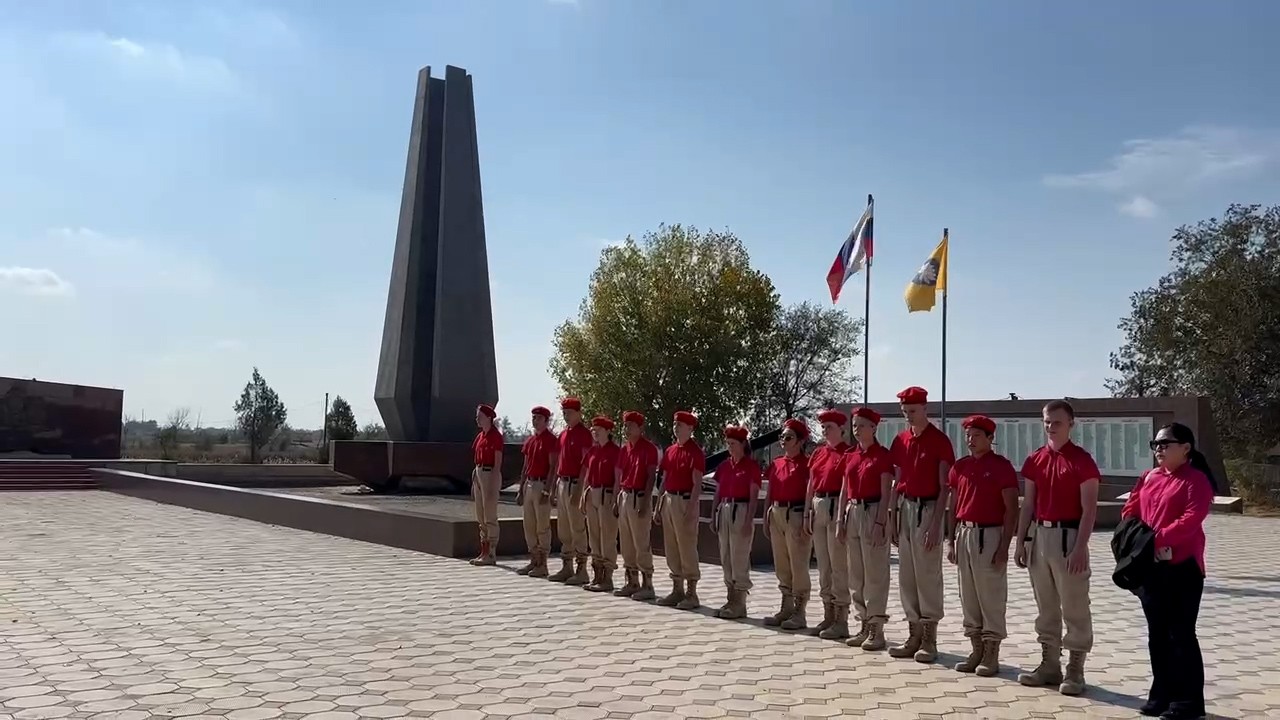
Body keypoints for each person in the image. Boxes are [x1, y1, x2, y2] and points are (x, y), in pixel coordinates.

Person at [1122, 422, 1216, 719]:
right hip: (1152, 567)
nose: (1159, 449)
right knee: (1157, 634)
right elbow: (1130, 511)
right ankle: (1161, 695)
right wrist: (1141, 540)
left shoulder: (1196, 480)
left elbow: (1191, 518)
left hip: (1183, 567)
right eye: (1156, 444)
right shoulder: (1148, 477)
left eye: (1166, 444)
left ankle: (1188, 703)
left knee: (1181, 634)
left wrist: (1157, 540)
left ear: (1185, 448)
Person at [1015, 399, 1101, 695]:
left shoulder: (1082, 460)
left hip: (1069, 537)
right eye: (1047, 422)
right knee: (1046, 605)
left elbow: (1089, 509)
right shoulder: (1035, 459)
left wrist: (1080, 547)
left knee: (1074, 605)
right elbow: (1028, 504)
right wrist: (1022, 540)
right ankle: (1049, 663)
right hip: (1040, 536)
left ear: (1071, 425)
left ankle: (1075, 670)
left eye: (1058, 422)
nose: (1051, 427)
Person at [945, 415, 1019, 677]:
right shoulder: (960, 467)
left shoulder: (1001, 467)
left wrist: (1004, 546)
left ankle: (991, 653)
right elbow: (953, 505)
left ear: (990, 438)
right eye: (968, 435)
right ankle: (975, 648)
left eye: (977, 435)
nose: (971, 440)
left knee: (991, 596)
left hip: (990, 535)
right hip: (965, 533)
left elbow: (1011, 509)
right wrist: (951, 539)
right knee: (969, 596)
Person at [888, 386, 955, 663]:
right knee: (907, 576)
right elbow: (897, 479)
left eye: (913, 411)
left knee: (927, 575)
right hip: (905, 507)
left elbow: (944, 488)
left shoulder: (939, 441)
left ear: (925, 408)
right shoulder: (901, 440)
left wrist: (936, 524)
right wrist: (891, 515)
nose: (909, 417)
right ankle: (913, 633)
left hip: (928, 509)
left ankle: (929, 638)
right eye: (905, 412)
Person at [837, 407, 893, 651]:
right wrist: (840, 520)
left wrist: (881, 522)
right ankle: (862, 622)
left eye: (862, 425)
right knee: (856, 573)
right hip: (853, 511)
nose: (856, 429)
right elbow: (843, 489)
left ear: (873, 427)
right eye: (854, 425)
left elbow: (886, 492)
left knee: (875, 572)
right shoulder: (850, 456)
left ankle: (876, 628)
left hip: (872, 513)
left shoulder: (882, 456)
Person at [806, 409, 852, 639]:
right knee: (823, 565)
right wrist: (807, 513)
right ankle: (828, 614)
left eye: (829, 427)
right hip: (818, 505)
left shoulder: (848, 453)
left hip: (836, 506)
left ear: (841, 429)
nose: (825, 431)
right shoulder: (818, 453)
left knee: (838, 565)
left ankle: (841, 619)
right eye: (823, 427)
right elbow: (811, 483)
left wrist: (842, 518)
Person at [763, 418, 814, 630]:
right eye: (782, 437)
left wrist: (807, 519)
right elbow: (770, 490)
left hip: (796, 514)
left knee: (798, 564)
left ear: (800, 441)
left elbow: (810, 493)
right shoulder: (776, 463)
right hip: (777, 513)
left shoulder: (807, 464)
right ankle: (786, 606)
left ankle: (799, 611)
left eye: (789, 437)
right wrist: (767, 515)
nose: (784, 441)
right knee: (782, 563)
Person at [656, 411, 706, 610]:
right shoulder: (670, 451)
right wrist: (658, 505)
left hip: (685, 501)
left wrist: (691, 509)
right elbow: (664, 479)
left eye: (680, 425)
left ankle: (691, 592)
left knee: (686, 547)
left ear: (690, 428)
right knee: (671, 546)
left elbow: (697, 484)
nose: (676, 428)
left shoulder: (695, 452)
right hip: (669, 499)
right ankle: (677, 588)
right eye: (675, 424)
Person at [712, 424, 761, 619]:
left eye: (733, 444)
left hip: (740, 510)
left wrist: (748, 521)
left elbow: (754, 496)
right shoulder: (724, 466)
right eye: (728, 444)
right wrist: (714, 514)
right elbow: (717, 491)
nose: (730, 447)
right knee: (726, 556)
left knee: (739, 555)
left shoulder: (751, 467)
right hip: (724, 510)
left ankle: (740, 602)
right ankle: (730, 598)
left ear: (743, 444)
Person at [615, 411, 661, 601]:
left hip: (639, 496)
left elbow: (651, 476)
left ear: (640, 428)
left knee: (641, 542)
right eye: (625, 425)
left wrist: (645, 501)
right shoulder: (625, 449)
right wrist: (617, 500)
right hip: (625, 495)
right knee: (626, 542)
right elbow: (621, 475)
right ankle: (631, 581)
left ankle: (647, 584)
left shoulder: (648, 449)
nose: (627, 429)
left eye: (631, 425)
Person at [550, 398, 593, 585]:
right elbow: (558, 462)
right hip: (562, 482)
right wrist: (553, 489)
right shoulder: (563, 435)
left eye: (569, 412)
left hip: (576, 483)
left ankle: (582, 569)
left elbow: (586, 464)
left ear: (578, 413)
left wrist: (580, 490)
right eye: (564, 412)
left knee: (577, 527)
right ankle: (566, 566)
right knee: (564, 528)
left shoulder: (584, 435)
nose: (566, 416)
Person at [580, 415, 622, 592]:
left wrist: (615, 500)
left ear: (607, 431)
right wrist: (583, 495)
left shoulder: (615, 451)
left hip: (607, 495)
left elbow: (618, 478)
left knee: (607, 537)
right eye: (593, 429)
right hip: (593, 494)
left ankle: (607, 577)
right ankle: (597, 574)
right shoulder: (593, 451)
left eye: (598, 430)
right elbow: (587, 475)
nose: (594, 432)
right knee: (594, 536)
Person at [516, 406, 558, 578]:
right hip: (529, 484)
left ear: (546, 421)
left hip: (542, 485)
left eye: (539, 418)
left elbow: (553, 467)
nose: (535, 421)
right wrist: (520, 488)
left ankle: (543, 563)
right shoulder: (530, 440)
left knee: (542, 526)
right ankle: (533, 559)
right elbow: (525, 466)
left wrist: (548, 490)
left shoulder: (550, 440)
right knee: (529, 525)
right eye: (533, 417)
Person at [470, 403, 504, 566]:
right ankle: (483, 549)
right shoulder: (480, 436)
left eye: (480, 416)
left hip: (490, 474)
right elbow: (476, 459)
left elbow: (497, 463)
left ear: (488, 417)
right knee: (480, 515)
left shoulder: (495, 436)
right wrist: (474, 481)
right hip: (479, 473)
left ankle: (491, 552)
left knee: (490, 516)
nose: (477, 419)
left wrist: (493, 484)